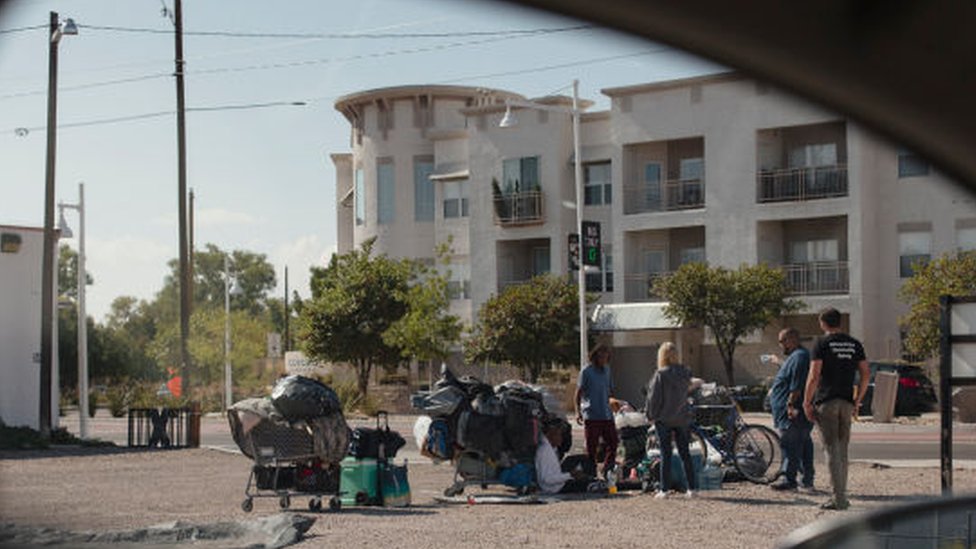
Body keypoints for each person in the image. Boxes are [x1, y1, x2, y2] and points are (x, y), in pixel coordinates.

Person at [803, 307, 870, 510]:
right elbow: (866, 374)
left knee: (831, 449)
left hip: (827, 401)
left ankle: (838, 499)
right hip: (847, 402)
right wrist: (858, 400)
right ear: (839, 322)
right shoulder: (854, 344)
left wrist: (807, 401)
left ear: (823, 323)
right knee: (843, 450)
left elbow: (814, 376)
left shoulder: (821, 343)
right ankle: (842, 495)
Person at [646, 342, 701, 499]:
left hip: (664, 418)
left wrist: (650, 415)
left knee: (666, 454)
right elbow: (688, 390)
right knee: (685, 453)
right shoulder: (685, 372)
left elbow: (653, 398)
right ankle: (692, 488)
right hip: (682, 418)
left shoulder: (660, 374)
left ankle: (664, 490)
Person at [767, 327, 814, 491]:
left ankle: (791, 480)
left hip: (793, 411)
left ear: (792, 339)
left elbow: (797, 384)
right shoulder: (796, 357)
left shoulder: (800, 357)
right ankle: (805, 479)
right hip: (791, 410)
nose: (781, 345)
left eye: (782, 341)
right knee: (801, 444)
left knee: (790, 444)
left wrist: (790, 405)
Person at [575, 343, 618, 478]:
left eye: (606, 356)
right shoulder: (586, 371)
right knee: (591, 447)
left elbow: (610, 390)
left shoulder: (607, 370)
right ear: (595, 356)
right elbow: (578, 392)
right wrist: (578, 411)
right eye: (601, 356)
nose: (604, 358)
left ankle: (607, 469)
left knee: (613, 443)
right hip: (592, 414)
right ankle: (590, 473)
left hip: (606, 414)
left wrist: (615, 403)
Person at [535, 419, 593, 494]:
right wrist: (570, 475)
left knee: (582, 460)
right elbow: (547, 479)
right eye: (559, 435)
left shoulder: (551, 448)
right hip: (555, 488)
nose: (561, 439)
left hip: (557, 482)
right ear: (551, 434)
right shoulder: (545, 451)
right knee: (589, 484)